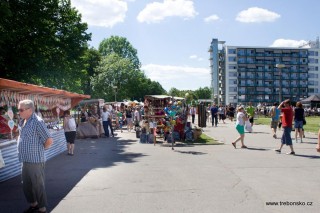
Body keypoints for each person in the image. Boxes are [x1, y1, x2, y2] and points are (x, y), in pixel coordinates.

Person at [17, 99, 53, 213]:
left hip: (35, 160)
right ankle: (34, 205)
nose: (19, 112)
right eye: (18, 110)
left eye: (21, 110)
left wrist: (40, 151)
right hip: (24, 159)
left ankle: (42, 208)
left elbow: (49, 140)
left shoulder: (37, 121)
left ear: (30, 110)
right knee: (26, 185)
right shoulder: (23, 121)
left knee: (38, 186)